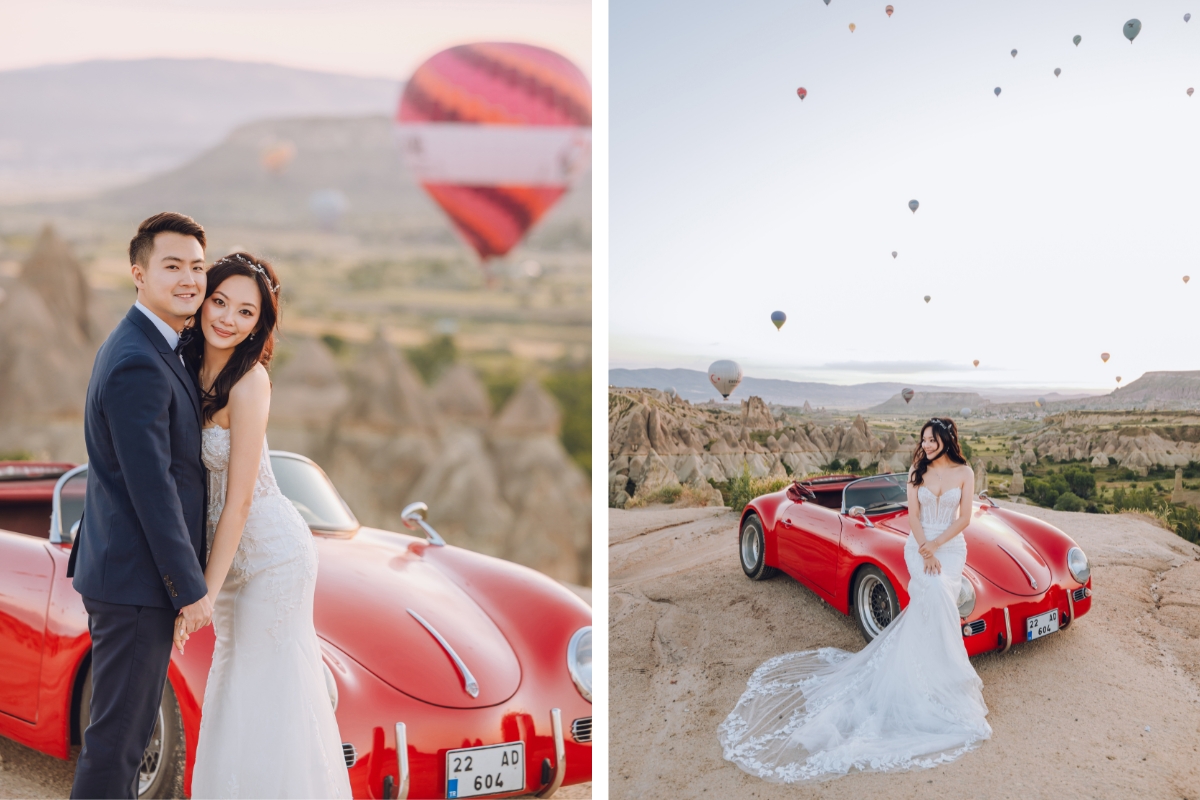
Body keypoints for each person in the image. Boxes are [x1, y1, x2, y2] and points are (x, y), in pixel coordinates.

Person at [717, 417, 991, 783]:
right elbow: (913, 515)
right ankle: (930, 674)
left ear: (947, 440)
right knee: (934, 592)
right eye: (923, 439)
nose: (926, 445)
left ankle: (942, 673)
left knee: (938, 596)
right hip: (919, 544)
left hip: (950, 546)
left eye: (932, 439)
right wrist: (924, 549)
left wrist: (937, 546)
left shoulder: (964, 472)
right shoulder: (916, 473)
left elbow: (965, 516)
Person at [177, 252, 352, 798]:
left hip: (271, 557)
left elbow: (242, 498)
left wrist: (203, 589)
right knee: (233, 686)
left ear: (260, 325)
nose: (227, 319)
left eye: (245, 312)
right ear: (203, 299)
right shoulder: (185, 365)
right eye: (220, 301)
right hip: (231, 560)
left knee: (266, 692)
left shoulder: (250, 383)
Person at [68, 212, 214, 799]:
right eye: (173, 266)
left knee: (123, 745)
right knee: (115, 749)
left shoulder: (154, 345)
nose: (189, 279)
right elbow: (150, 488)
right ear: (139, 273)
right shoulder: (137, 361)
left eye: (198, 267)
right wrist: (191, 589)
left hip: (129, 577)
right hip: (135, 583)